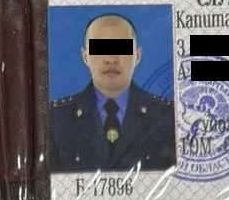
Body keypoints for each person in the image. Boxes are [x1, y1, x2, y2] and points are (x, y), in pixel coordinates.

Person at [49, 14, 176, 173]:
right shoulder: (55, 119)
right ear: (85, 56)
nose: (110, 58)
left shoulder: (168, 116)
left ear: (137, 56)